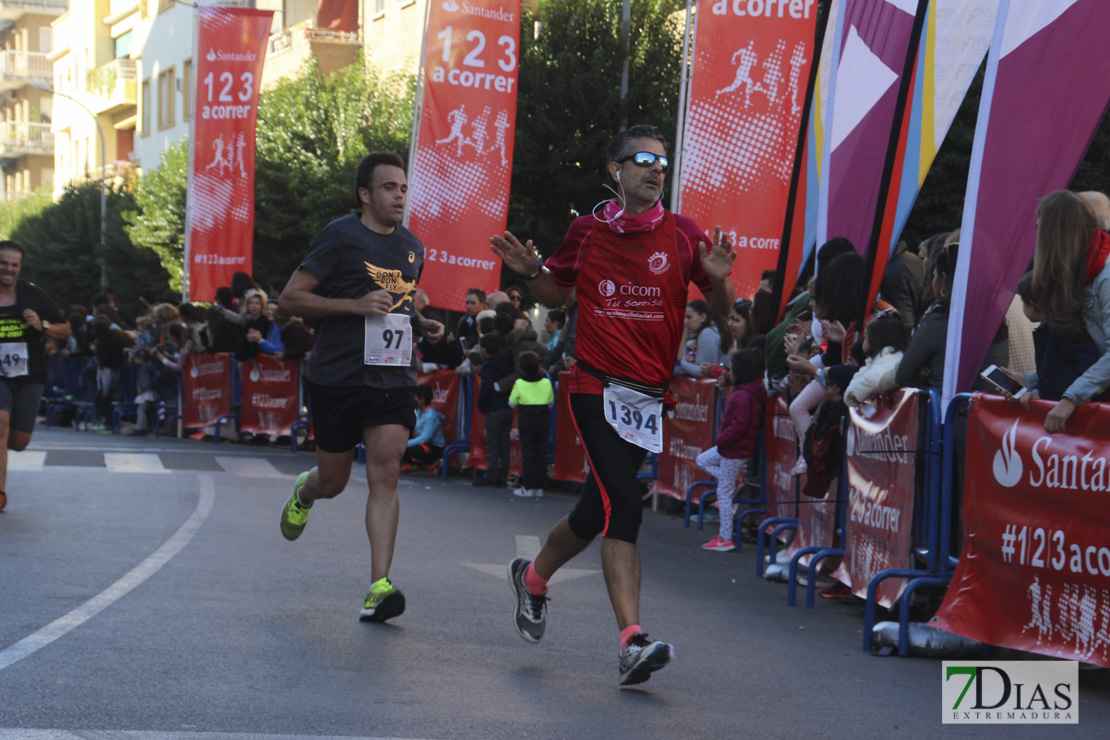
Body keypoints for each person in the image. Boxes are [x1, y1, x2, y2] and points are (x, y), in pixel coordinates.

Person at [490, 123, 735, 686]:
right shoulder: (587, 231)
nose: (655, 170)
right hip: (593, 385)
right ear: (615, 171)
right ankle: (632, 642)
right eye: (643, 159)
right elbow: (560, 291)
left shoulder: (682, 233)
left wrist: (719, 281)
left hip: (647, 398)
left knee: (592, 512)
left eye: (662, 163)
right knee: (623, 506)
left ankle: (531, 579)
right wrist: (532, 274)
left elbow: (722, 309)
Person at [277, 152, 444, 624]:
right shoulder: (339, 236)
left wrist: (422, 321)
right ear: (366, 194)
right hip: (336, 375)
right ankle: (304, 494)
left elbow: (398, 305)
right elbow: (290, 299)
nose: (399, 196)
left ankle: (378, 586)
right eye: (389, 187)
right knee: (332, 481)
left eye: (404, 188)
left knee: (386, 472)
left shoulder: (413, 247)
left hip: (391, 377)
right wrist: (353, 305)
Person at [1029, 190, 1110, 433]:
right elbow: (1083, 354)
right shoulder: (1079, 273)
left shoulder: (1104, 276)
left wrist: (1070, 398)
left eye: (1040, 228)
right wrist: (1031, 381)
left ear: (1056, 233)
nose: (1037, 234)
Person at [0, 241, 70, 511]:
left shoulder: (34, 296)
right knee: (1, 422)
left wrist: (44, 326)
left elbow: (65, 330)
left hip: (29, 375)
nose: (7, 269)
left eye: (13, 264)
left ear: (19, 267)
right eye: (3, 263)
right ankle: (1, 491)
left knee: (18, 442)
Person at [695, 348, 766, 552]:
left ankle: (725, 537)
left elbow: (740, 425)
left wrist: (722, 439)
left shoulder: (744, 395)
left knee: (723, 494)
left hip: (733, 448)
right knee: (703, 461)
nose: (730, 373)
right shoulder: (746, 392)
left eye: (732, 369)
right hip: (732, 447)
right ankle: (732, 480)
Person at [508, 350, 554, 498]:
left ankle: (528, 486)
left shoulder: (519, 383)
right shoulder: (546, 382)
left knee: (528, 455)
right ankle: (539, 487)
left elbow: (511, 403)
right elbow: (551, 403)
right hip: (542, 421)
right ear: (539, 366)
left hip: (526, 422)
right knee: (540, 454)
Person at [475, 332, 513, 487]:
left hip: (493, 408)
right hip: (507, 406)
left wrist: (481, 403)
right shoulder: (507, 362)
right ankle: (502, 476)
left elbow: (486, 387)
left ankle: (491, 475)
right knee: (504, 444)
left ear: (484, 350)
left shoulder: (488, 367)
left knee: (492, 443)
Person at [679, 299, 732, 378]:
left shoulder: (708, 333)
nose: (685, 322)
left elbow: (706, 372)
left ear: (703, 317)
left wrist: (683, 363)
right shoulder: (713, 329)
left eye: (689, 317)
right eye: (684, 317)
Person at [402, 384, 445, 471]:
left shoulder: (431, 416)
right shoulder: (418, 412)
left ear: (422, 400)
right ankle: (410, 464)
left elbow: (425, 438)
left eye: (416, 397)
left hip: (435, 447)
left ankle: (433, 462)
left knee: (414, 448)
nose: (414, 399)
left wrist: (405, 444)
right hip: (425, 443)